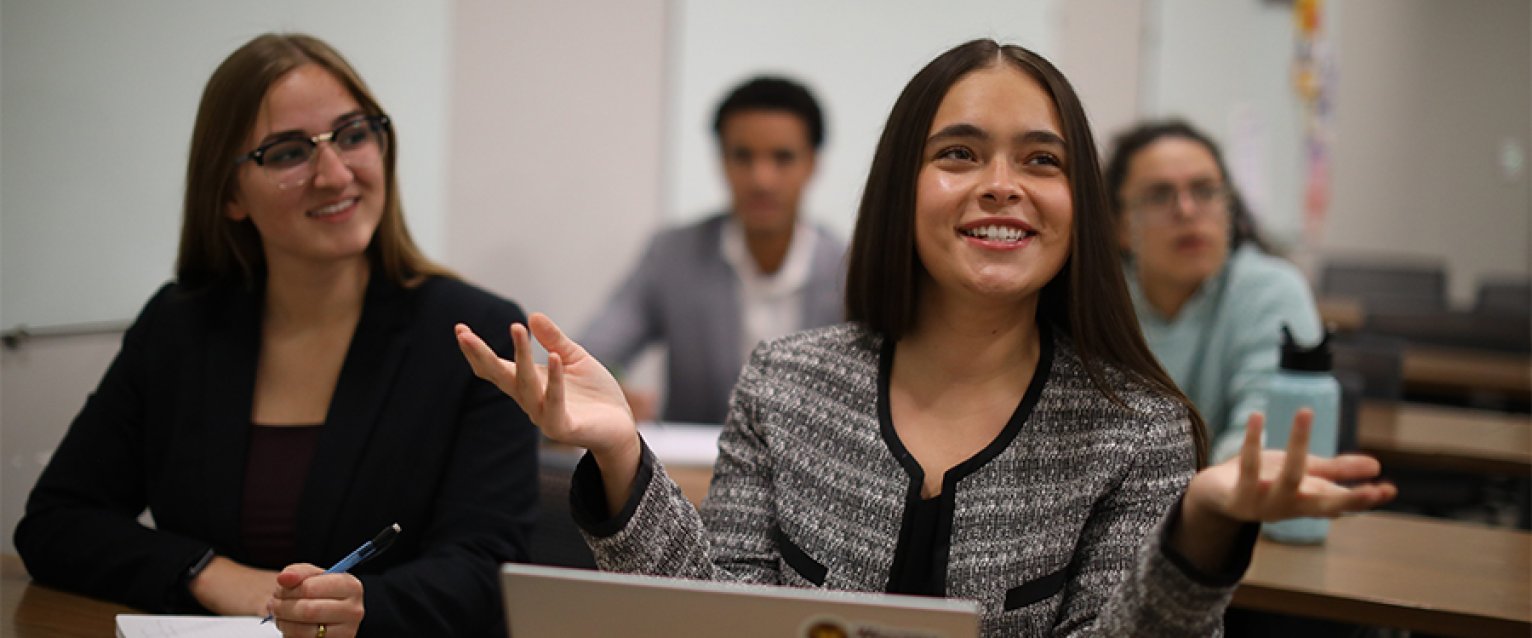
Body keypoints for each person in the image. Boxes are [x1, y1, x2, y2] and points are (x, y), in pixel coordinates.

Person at [458, 40, 1394, 636]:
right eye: (959, 154)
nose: (1001, 184)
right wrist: (622, 456)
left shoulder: (1140, 431)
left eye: (1041, 159)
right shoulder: (784, 383)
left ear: (1081, 206)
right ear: (900, 188)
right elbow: (718, 617)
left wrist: (1201, 533)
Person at [14, 33, 538, 638]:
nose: (335, 174)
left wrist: (362, 609)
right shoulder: (179, 325)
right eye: (289, 153)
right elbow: (56, 522)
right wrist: (209, 573)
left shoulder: (475, 334)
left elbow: (488, 571)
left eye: (353, 135)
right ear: (230, 194)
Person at [580, 76, 845, 424]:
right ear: (721, 161)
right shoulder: (673, 257)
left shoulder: (849, 271)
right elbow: (587, 360)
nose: (762, 179)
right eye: (743, 156)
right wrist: (606, 391)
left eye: (783, 158)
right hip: (696, 460)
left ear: (812, 164)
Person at [1105, 120, 1324, 463]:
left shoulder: (1270, 290)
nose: (1187, 210)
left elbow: (1266, 436)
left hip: (1232, 494)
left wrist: (1208, 491)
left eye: (1205, 191)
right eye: (1159, 196)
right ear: (1120, 224)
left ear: (1229, 209)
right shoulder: (1097, 300)